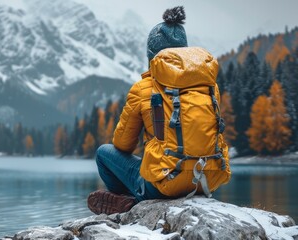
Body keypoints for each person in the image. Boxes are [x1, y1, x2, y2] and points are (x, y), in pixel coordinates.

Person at [87, 6, 231, 215]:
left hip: (165, 184)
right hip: (209, 179)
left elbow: (122, 144)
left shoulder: (143, 88)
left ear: (153, 56)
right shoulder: (210, 87)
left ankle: (131, 203)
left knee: (103, 153)